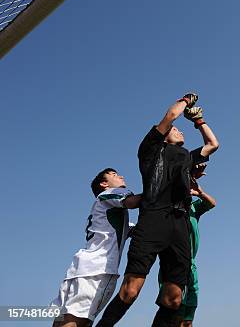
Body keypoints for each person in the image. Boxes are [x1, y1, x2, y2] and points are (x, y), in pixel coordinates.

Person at [96, 93, 219, 327]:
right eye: (174, 129)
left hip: (179, 224)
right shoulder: (150, 150)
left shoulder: (186, 157)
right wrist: (186, 100)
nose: (178, 130)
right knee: (130, 291)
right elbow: (171, 114)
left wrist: (199, 121)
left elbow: (213, 144)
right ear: (163, 136)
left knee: (173, 299)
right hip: (153, 220)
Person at [50, 168, 141, 327]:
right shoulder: (107, 194)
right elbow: (133, 202)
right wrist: (162, 187)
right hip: (98, 270)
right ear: (104, 184)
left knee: (63, 320)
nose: (121, 176)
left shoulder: (107, 214)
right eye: (114, 175)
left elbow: (136, 230)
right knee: (79, 321)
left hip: (80, 268)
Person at [157, 126, 219, 327]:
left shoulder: (192, 206)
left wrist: (198, 190)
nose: (179, 131)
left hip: (190, 263)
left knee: (188, 314)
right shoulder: (161, 166)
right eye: (174, 129)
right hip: (174, 260)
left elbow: (212, 203)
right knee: (173, 309)